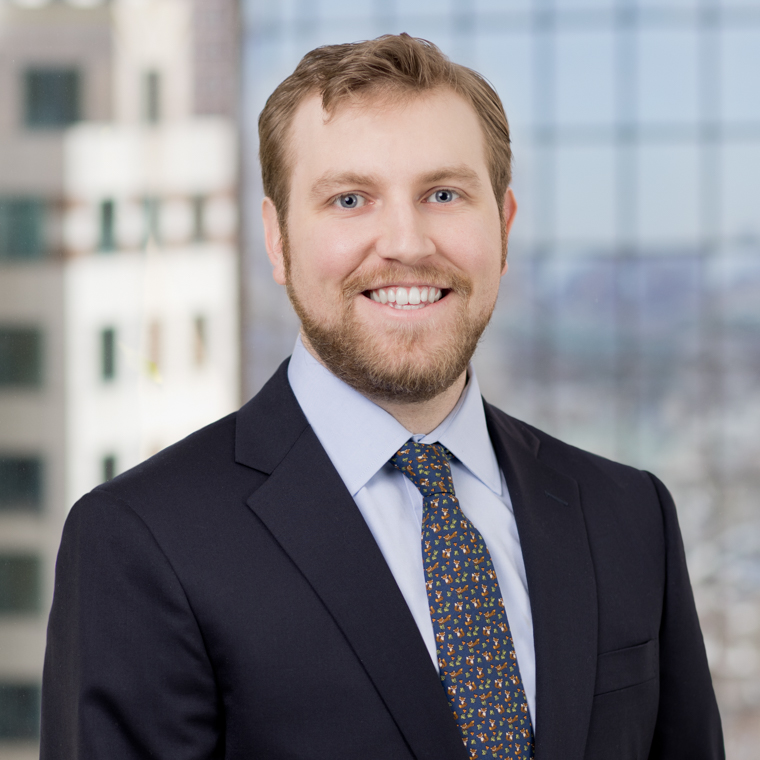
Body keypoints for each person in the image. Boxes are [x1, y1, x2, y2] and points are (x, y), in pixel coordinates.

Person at [41, 34, 724, 760]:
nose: (406, 242)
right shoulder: (142, 542)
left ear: (503, 225)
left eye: (443, 194)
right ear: (277, 240)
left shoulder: (629, 516)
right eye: (350, 199)